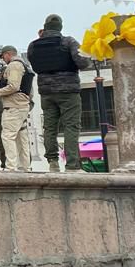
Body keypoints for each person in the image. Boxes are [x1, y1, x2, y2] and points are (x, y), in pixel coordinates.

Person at [27, 14, 90, 171]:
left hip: (46, 92)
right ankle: (72, 165)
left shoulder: (33, 45)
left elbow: (35, 66)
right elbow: (83, 62)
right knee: (71, 126)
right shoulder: (68, 42)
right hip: (68, 90)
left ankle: (53, 162)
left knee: (49, 127)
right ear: (60, 27)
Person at [0, 45, 33, 171]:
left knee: (8, 136)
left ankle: (11, 167)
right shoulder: (26, 67)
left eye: (3, 56)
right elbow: (29, 92)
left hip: (13, 106)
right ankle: (25, 166)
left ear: (8, 54)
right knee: (22, 137)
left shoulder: (14, 65)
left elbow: (13, 86)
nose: (3, 59)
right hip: (23, 106)